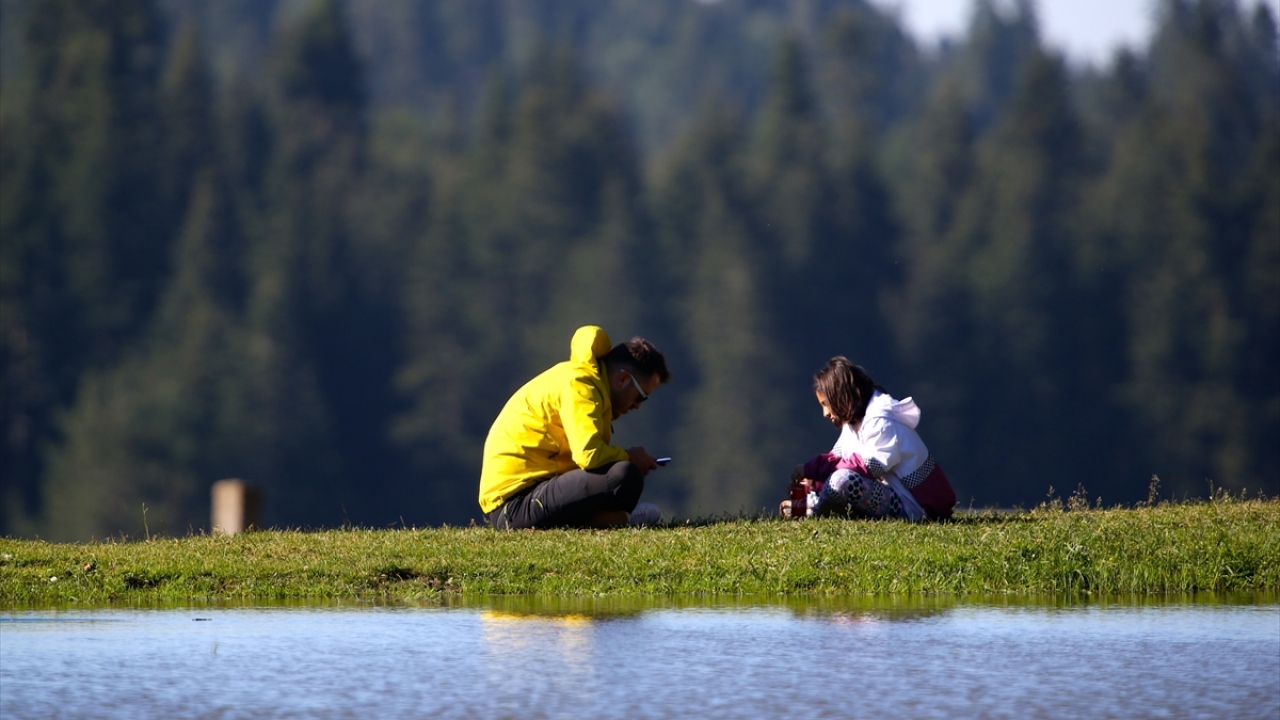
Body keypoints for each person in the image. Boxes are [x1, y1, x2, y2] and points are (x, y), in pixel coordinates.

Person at [479, 325, 671, 529]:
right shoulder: (581, 384)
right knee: (623, 475)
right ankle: (621, 520)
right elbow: (588, 454)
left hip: (529, 494)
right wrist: (630, 457)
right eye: (641, 396)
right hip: (513, 507)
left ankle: (614, 520)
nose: (639, 405)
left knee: (621, 477)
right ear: (623, 379)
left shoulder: (584, 380)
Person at [785, 357, 956, 521]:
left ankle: (814, 510)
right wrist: (813, 481)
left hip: (915, 508)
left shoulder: (881, 421)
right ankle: (813, 504)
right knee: (829, 479)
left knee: (842, 480)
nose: (825, 413)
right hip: (892, 496)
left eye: (826, 404)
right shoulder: (854, 424)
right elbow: (838, 460)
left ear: (839, 396)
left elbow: (866, 467)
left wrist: (814, 469)